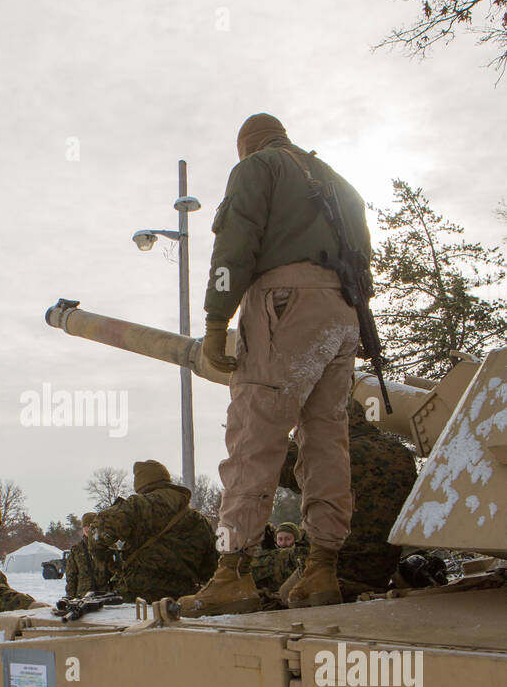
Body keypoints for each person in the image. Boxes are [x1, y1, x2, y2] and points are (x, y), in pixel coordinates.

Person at [178, 113, 370, 617]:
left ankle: (231, 573)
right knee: (327, 437)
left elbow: (235, 243)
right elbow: (364, 260)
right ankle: (321, 568)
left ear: (247, 146)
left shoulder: (257, 168)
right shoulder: (339, 182)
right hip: (343, 313)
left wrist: (217, 319)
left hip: (285, 302)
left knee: (254, 432)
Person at [278, 399, 417, 599]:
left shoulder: (336, 455)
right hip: (382, 569)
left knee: (265, 575)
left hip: (333, 569)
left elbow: (276, 461)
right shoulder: (401, 453)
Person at [88, 461, 217, 604]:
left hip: (137, 598)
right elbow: (211, 568)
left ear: (141, 485)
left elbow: (98, 533)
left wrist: (109, 562)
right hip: (180, 602)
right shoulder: (198, 520)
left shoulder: (137, 506)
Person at [250, 521, 303, 601]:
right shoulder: (270, 559)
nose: (283, 543)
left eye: (288, 539)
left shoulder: (297, 555)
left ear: (296, 538)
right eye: (280, 539)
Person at [65, 513, 114, 599]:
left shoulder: (108, 547)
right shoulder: (76, 550)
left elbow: (115, 574)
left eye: (91, 525)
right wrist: (70, 597)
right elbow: (71, 577)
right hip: (83, 598)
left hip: (105, 596)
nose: (87, 528)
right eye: (85, 526)